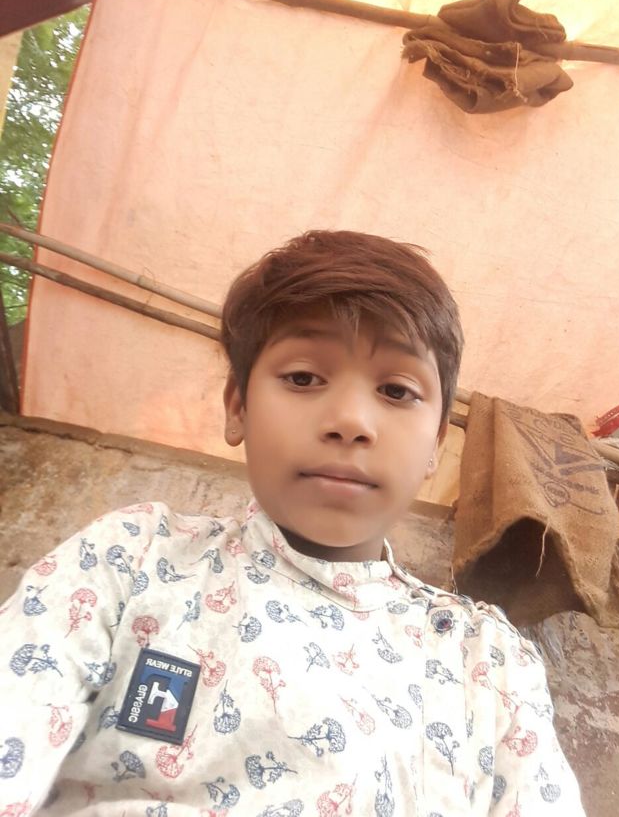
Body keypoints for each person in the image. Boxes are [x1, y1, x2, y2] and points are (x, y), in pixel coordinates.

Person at [0, 230, 584, 816]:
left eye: (396, 389)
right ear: (238, 406)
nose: (351, 421)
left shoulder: (487, 660)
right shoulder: (129, 561)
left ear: (435, 444)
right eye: (303, 378)